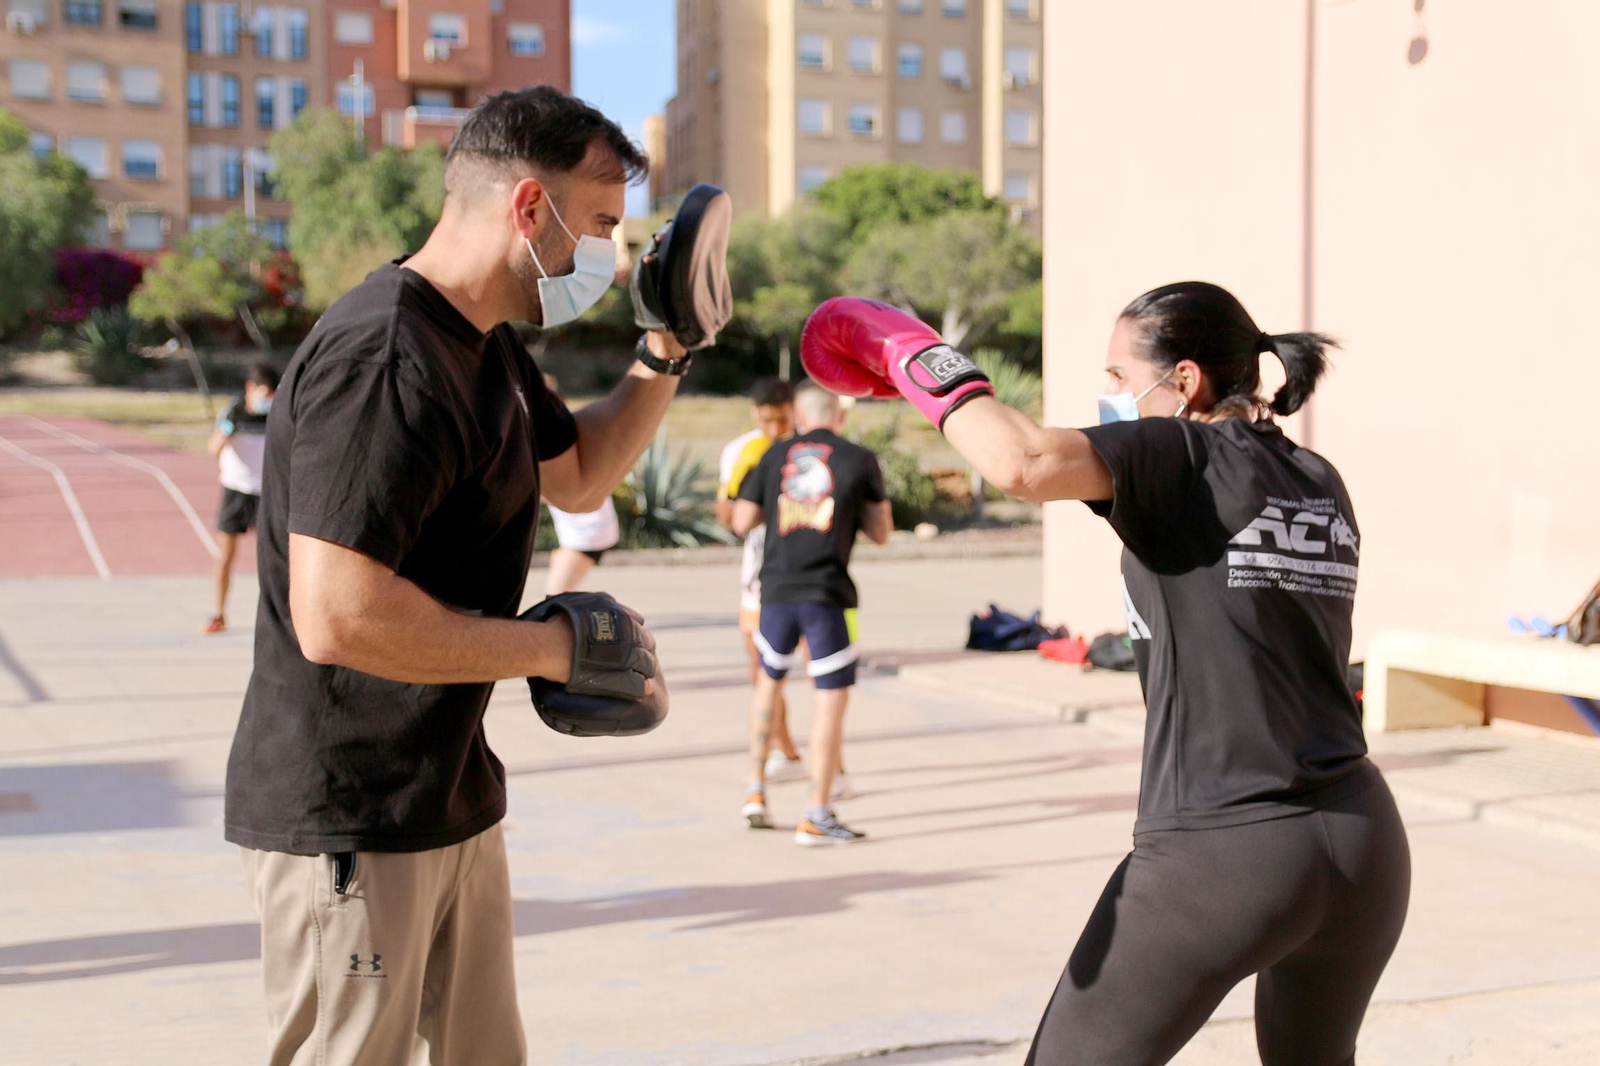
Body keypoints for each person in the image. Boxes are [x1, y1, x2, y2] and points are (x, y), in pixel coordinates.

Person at [801, 286, 1410, 1064]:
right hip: (1362, 843)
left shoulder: (1182, 453)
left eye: (1119, 379)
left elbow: (1019, 461)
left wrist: (911, 352)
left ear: (1185, 382)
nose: (1110, 398)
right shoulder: (1317, 478)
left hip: (1227, 851)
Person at [224, 87, 692, 1065]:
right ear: (530, 208)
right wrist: (552, 646)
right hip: (352, 813)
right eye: (599, 225)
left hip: (447, 796)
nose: (605, 254)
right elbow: (336, 616)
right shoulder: (387, 355)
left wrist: (666, 349)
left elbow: (582, 471)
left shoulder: (485, 348)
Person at [732, 384, 891, 845]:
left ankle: (755, 791)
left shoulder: (772, 455)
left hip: (775, 592)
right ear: (838, 416)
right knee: (830, 700)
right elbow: (881, 532)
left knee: (767, 685)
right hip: (828, 595)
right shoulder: (859, 458)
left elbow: (742, 521)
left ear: (798, 416)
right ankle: (816, 812)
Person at [714, 378, 806, 781]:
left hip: (808, 570)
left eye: (781, 420)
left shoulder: (812, 448)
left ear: (795, 410)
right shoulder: (741, 451)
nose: (774, 429)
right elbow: (727, 518)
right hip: (758, 574)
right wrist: (742, 488)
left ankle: (834, 768)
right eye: (767, 420)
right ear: (755, 413)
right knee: (762, 670)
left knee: (823, 675)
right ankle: (786, 752)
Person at [202, 362, 278, 634]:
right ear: (250, 388)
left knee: (272, 558)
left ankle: (276, 617)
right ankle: (219, 613)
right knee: (226, 555)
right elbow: (212, 449)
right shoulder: (233, 411)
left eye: (272, 395)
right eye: (264, 394)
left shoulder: (277, 414)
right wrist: (227, 428)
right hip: (235, 490)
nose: (266, 401)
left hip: (267, 493)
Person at [541, 374, 622, 595]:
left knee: (552, 601)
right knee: (554, 597)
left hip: (587, 537)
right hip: (584, 533)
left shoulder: (558, 436)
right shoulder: (563, 431)